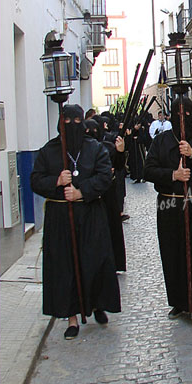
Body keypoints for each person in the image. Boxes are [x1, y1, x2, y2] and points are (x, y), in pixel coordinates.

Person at [30, 104, 121, 339]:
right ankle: (71, 317)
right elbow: (35, 180)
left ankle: (97, 304)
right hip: (61, 218)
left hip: (90, 215)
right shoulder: (49, 150)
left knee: (95, 261)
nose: (72, 126)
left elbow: (105, 177)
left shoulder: (94, 148)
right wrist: (57, 182)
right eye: (67, 122)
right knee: (65, 266)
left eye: (77, 122)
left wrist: (82, 192)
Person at [143, 96, 192, 323]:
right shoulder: (161, 141)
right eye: (178, 114)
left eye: (187, 114)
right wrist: (173, 175)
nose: (182, 119)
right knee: (174, 254)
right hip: (170, 207)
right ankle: (180, 301)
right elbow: (148, 170)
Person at [84, 117, 127, 273]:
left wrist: (120, 151)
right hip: (90, 196)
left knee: (111, 227)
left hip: (108, 194)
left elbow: (119, 165)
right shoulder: (81, 151)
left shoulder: (108, 147)